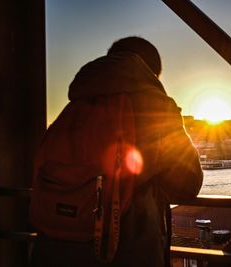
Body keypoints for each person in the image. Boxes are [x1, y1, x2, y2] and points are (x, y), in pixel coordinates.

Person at [29, 36, 203, 267]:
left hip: (55, 246)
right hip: (127, 248)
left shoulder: (74, 106)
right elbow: (188, 185)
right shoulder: (156, 106)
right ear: (151, 73)